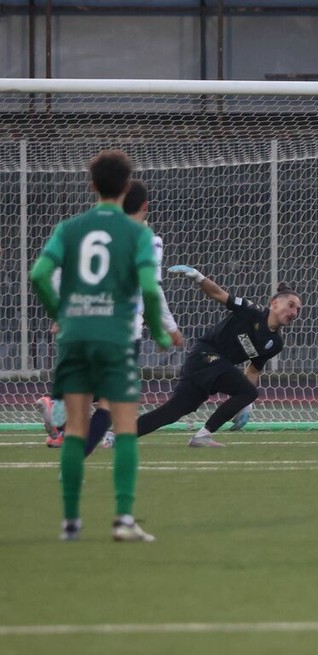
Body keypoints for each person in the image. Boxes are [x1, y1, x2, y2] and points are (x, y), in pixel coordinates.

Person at [29, 149, 171, 542]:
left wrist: (61, 313)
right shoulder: (138, 235)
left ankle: (70, 524)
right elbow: (149, 288)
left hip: (75, 338)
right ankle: (123, 520)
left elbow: (39, 274)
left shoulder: (69, 228)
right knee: (124, 426)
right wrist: (160, 334)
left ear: (91, 185)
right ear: (127, 187)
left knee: (75, 429)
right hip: (115, 338)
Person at [35, 180, 186, 454]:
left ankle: (60, 416)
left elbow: (57, 272)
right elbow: (151, 289)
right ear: (145, 206)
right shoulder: (147, 239)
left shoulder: (87, 230)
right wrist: (169, 328)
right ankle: (67, 432)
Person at [136, 267, 301, 447]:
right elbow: (219, 294)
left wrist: (246, 404)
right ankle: (203, 436)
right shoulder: (251, 311)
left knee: (173, 412)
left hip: (216, 368)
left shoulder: (275, 343)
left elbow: (253, 370)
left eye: (298, 310)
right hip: (204, 355)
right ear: (274, 303)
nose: (294, 312)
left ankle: (120, 435)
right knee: (248, 392)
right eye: (291, 305)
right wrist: (198, 276)